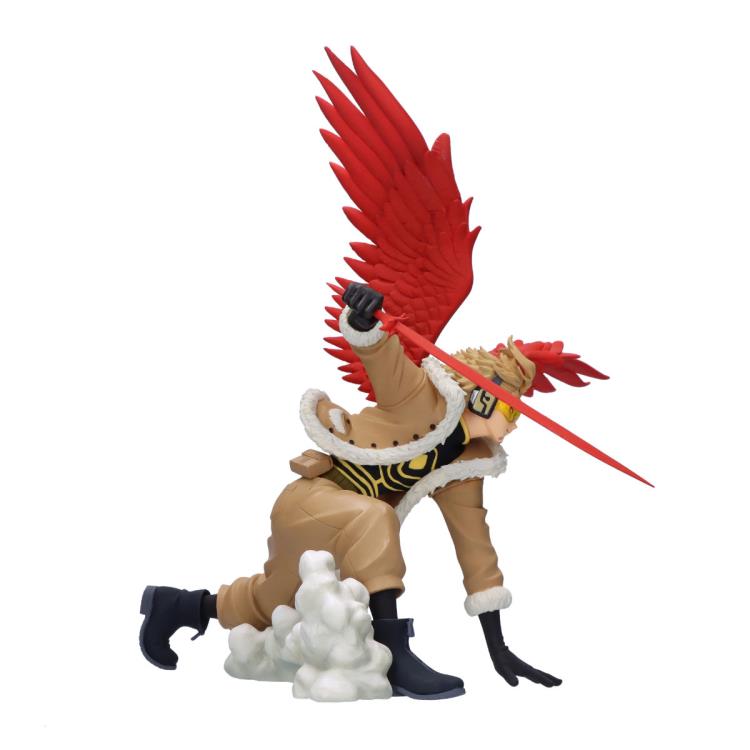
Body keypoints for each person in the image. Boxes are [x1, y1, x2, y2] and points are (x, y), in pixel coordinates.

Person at [139, 283, 563, 699]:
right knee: (377, 514)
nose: (514, 424)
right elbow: (382, 355)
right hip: (311, 499)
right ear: (483, 398)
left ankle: (179, 606)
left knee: (276, 601)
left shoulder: (464, 467)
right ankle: (393, 652)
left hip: (352, 534)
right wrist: (364, 318)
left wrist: (498, 647)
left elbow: (476, 554)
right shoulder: (418, 396)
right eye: (511, 409)